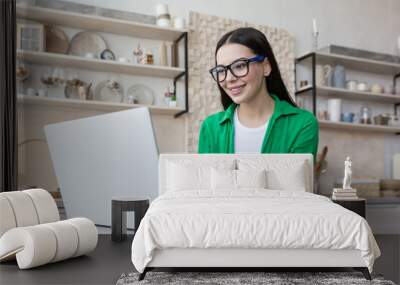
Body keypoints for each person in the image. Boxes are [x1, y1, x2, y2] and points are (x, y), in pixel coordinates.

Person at [198, 27, 319, 159]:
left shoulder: (302, 124)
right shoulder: (210, 128)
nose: (229, 79)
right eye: (221, 70)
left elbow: (294, 180)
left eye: (239, 66)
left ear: (266, 66)